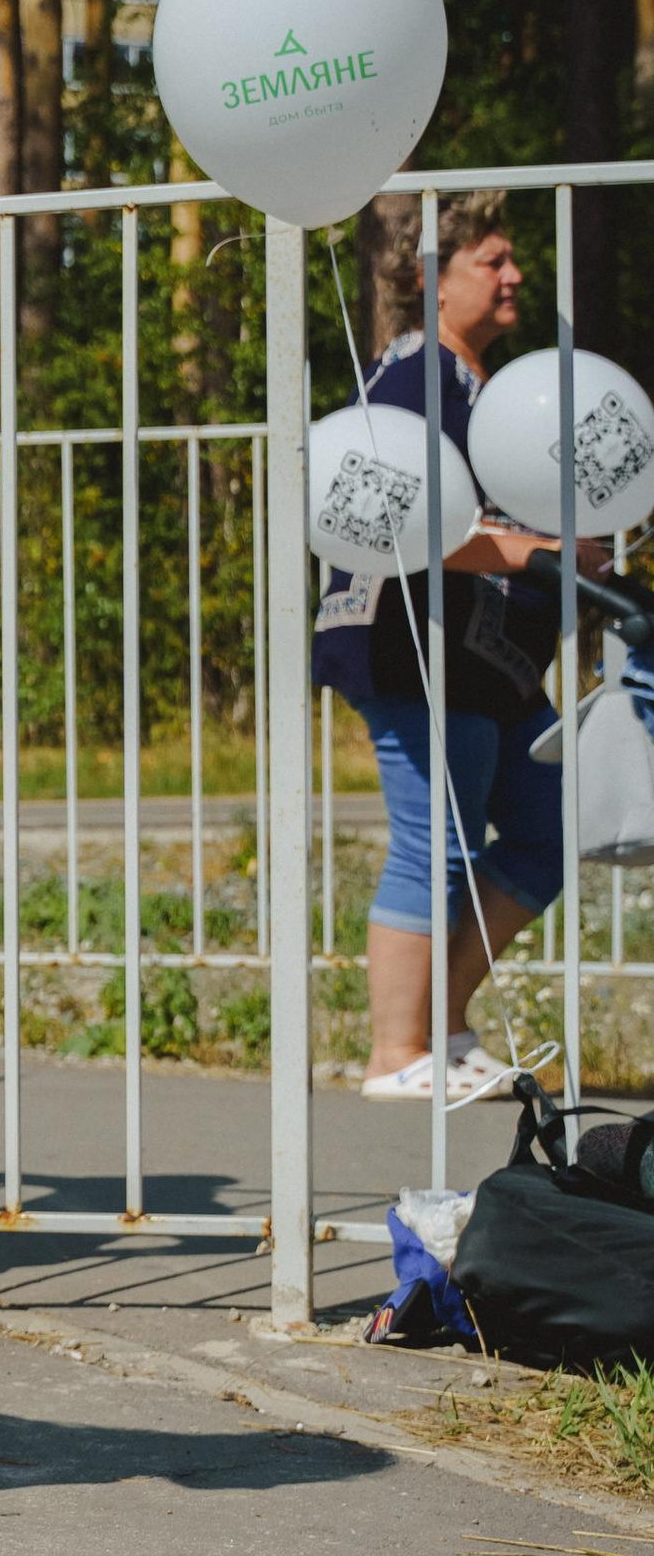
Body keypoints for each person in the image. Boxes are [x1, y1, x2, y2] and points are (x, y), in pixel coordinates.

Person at [315, 198, 581, 1100]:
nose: (513, 277)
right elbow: (396, 517)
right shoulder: (416, 374)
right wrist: (535, 551)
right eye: (492, 260)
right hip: (416, 650)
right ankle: (395, 1054)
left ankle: (443, 1027)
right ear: (430, 275)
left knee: (549, 827)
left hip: (489, 659)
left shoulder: (475, 382)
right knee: (434, 846)